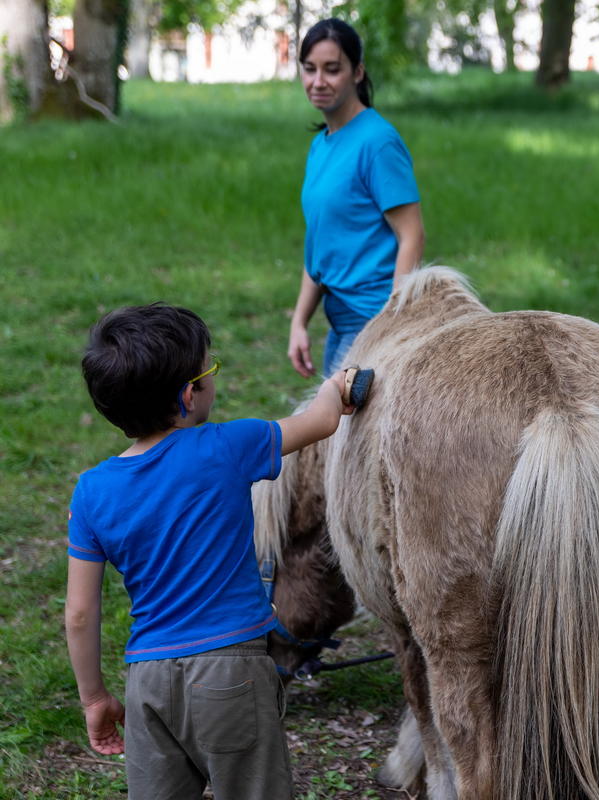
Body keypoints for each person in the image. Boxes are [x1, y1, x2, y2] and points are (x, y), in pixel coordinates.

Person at [65, 303, 354, 800]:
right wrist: (336, 385)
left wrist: (94, 698)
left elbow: (78, 612)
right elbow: (322, 421)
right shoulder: (227, 445)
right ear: (188, 395)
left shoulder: (90, 492)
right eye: (209, 369)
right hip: (231, 671)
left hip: (147, 680)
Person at [289, 17, 425, 378]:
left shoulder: (378, 142)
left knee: (331, 413)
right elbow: (320, 244)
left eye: (332, 69)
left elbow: (412, 235)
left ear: (358, 73)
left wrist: (391, 324)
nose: (318, 81)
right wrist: (299, 322)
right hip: (339, 321)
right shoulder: (321, 144)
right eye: (310, 69)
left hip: (372, 322)